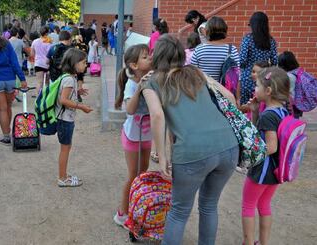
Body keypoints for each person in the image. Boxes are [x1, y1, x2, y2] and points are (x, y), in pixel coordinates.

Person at [141, 34, 239, 244]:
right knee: (209, 205)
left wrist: (162, 156)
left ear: (156, 55)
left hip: (192, 153)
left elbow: (157, 116)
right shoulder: (196, 72)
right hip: (229, 146)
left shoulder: (152, 82)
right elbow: (230, 98)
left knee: (179, 211)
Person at [242, 67, 291, 245]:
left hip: (262, 170)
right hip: (277, 169)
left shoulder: (268, 115)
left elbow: (270, 146)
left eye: (257, 85)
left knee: (248, 206)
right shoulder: (283, 111)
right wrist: (254, 112)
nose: (255, 89)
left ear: (268, 91)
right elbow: (263, 134)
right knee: (263, 205)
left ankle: (247, 242)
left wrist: (249, 154)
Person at [113, 44, 152, 227]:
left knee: (143, 173)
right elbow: (129, 110)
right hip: (132, 136)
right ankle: (122, 213)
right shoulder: (131, 84)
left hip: (147, 135)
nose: (150, 58)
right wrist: (139, 89)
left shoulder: (152, 79)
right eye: (145, 57)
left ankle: (137, 207)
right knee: (133, 175)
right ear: (134, 65)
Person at [55, 48, 93, 187]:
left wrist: (78, 92)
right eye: (83, 62)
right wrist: (81, 106)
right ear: (74, 63)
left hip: (65, 119)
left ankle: (63, 174)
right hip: (65, 119)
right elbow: (63, 100)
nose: (85, 65)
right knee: (65, 149)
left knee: (66, 147)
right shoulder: (70, 80)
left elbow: (66, 96)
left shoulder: (68, 77)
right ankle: (62, 178)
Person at [239, 12, 278, 105]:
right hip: (264, 78)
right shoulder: (271, 41)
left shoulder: (247, 39)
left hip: (248, 77)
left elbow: (242, 60)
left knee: (246, 105)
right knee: (261, 105)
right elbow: (275, 61)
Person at [191, 16, 240, 81]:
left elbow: (193, 74)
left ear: (207, 31)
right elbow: (238, 76)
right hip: (224, 90)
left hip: (204, 88)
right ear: (225, 31)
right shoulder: (232, 49)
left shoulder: (199, 49)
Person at [278, 51, 302, 118]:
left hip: (290, 105)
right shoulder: (296, 72)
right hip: (296, 102)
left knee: (290, 120)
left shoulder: (288, 76)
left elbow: (284, 91)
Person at [31, 26, 52, 93]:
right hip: (47, 64)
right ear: (47, 33)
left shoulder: (35, 41)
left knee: (39, 82)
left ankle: (39, 98)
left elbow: (32, 54)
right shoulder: (49, 42)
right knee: (47, 82)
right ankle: (47, 97)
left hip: (38, 63)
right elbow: (50, 54)